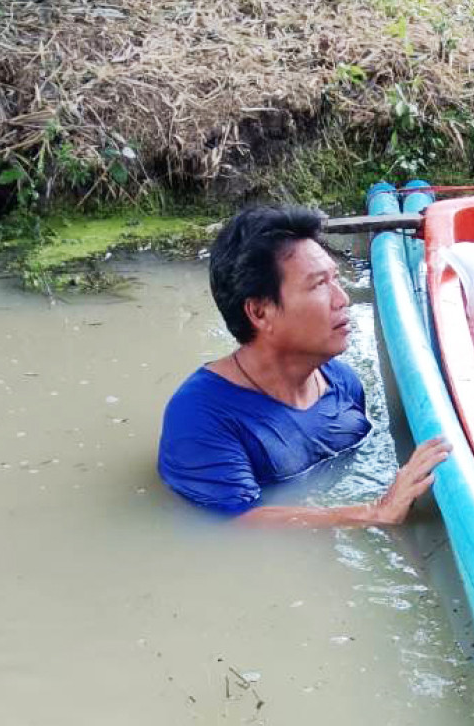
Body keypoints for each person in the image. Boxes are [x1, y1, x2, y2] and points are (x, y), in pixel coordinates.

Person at [158, 205, 449, 525]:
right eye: (318, 284)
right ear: (260, 313)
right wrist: (373, 512)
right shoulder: (199, 417)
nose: (342, 299)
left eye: (335, 279)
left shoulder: (342, 381)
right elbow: (235, 523)